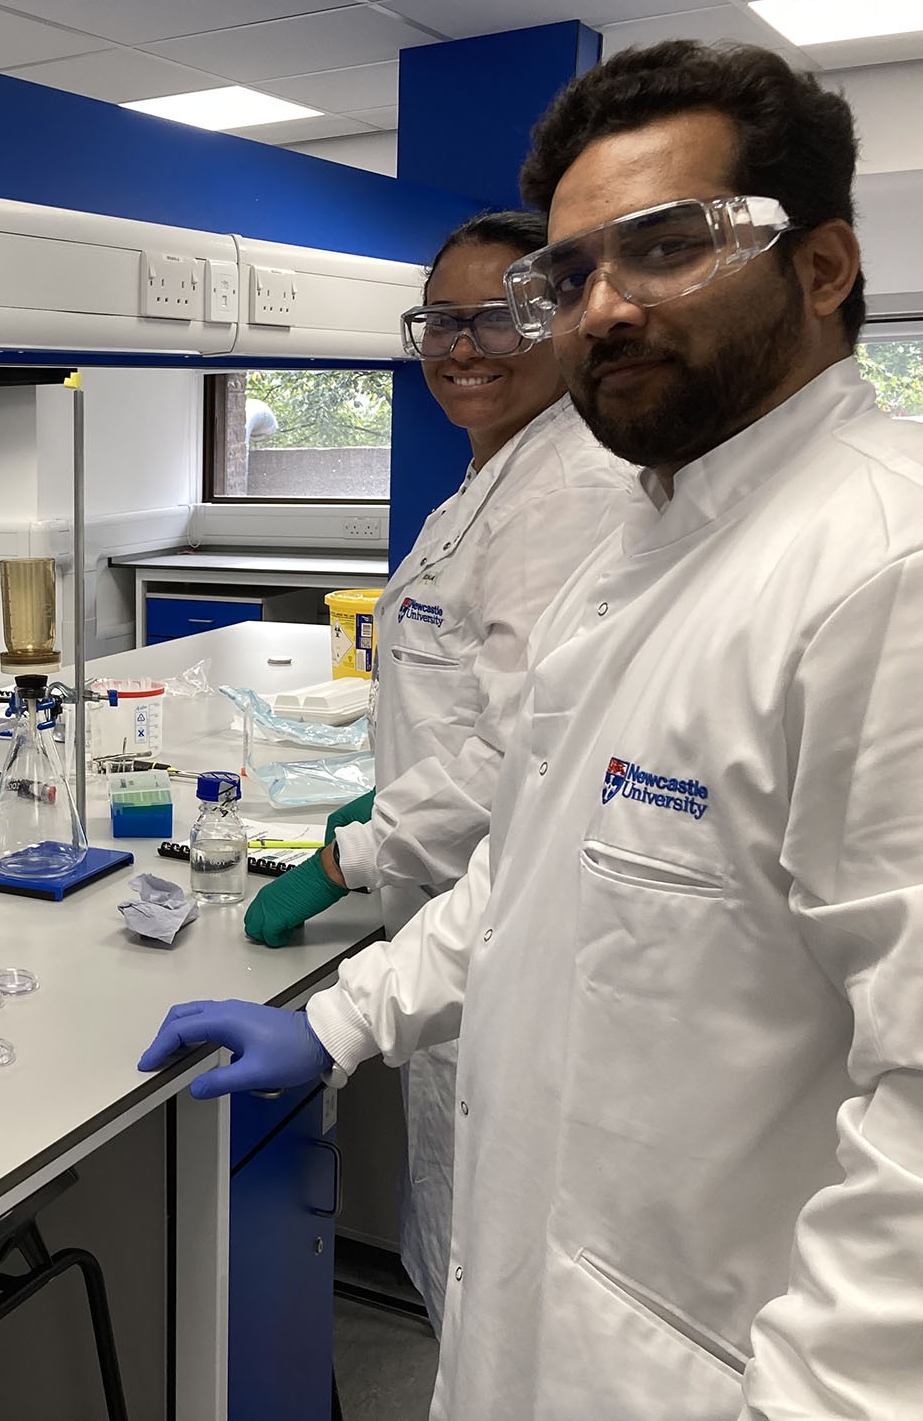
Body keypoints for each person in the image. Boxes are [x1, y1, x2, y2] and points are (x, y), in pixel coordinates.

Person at [140, 40, 923, 1418]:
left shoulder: (883, 568)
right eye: (570, 276)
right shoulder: (650, 542)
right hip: (546, 1314)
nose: (602, 309)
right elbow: (535, 865)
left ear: (822, 268)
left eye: (667, 247)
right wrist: (341, 1021)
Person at [244, 210, 636, 1328]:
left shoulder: (569, 492)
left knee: (487, 1268)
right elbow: (471, 702)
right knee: (462, 1251)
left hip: (492, 921)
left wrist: (345, 856)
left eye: (499, 319)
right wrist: (385, 800)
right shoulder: (495, 477)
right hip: (447, 904)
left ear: (560, 320)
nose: (464, 348)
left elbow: (522, 750)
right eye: (441, 322)